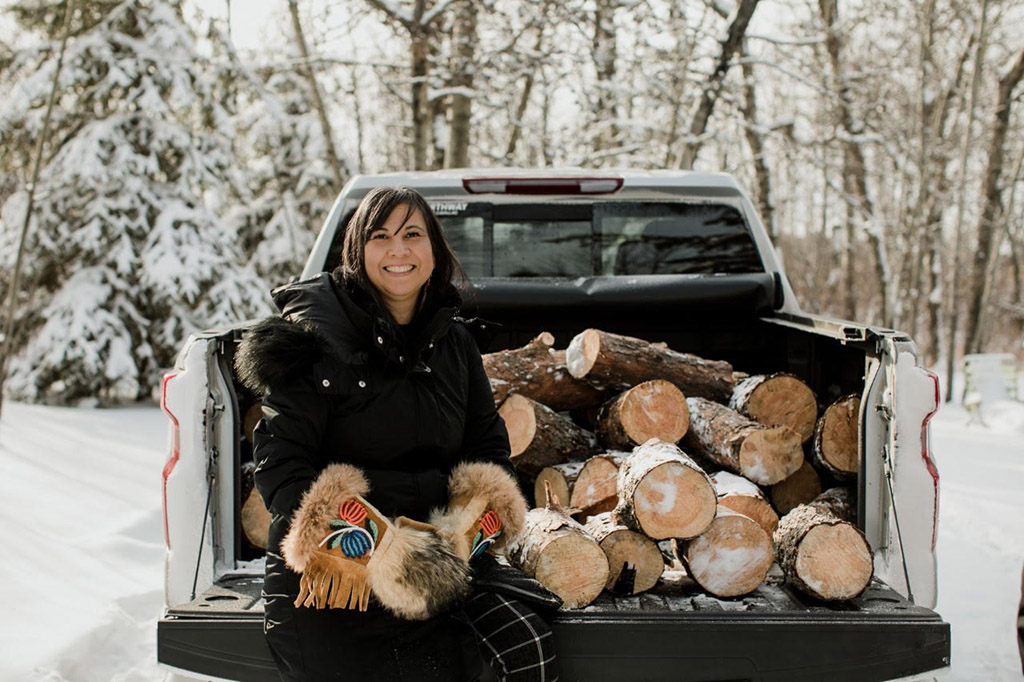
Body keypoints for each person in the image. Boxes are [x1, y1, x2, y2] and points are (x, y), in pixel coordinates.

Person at [235, 186, 560, 682]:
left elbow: (488, 451)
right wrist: (376, 546)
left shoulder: (456, 346)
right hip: (335, 572)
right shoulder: (311, 340)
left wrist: (461, 535)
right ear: (357, 252)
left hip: (439, 556)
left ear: (434, 250)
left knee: (526, 643)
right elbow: (281, 464)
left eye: (413, 234)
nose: (399, 250)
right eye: (380, 237)